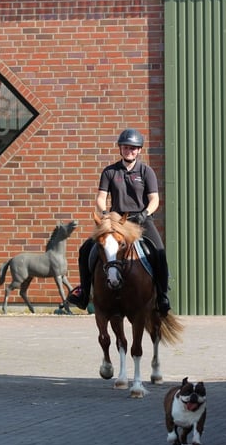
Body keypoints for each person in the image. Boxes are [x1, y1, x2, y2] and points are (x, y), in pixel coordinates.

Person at [67, 128, 171, 316]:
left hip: (140, 220)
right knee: (85, 250)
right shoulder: (110, 171)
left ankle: (162, 295)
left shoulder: (146, 171)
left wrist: (145, 212)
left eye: (133, 148)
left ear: (139, 150)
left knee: (159, 251)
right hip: (115, 220)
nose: (129, 151)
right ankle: (83, 293)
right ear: (120, 149)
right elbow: (100, 197)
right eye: (125, 147)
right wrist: (105, 213)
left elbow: (154, 199)